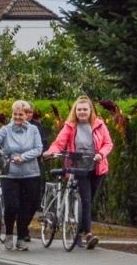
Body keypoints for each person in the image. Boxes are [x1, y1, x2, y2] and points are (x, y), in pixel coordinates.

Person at [0, 100, 44, 251]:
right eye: (15, 114)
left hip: (30, 174)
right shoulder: (6, 130)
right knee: (12, 206)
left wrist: (23, 157)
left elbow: (38, 149)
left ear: (26, 115)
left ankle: (21, 237)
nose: (18, 117)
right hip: (10, 174)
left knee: (27, 207)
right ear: (12, 114)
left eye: (21, 114)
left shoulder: (33, 130)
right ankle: (10, 234)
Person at [44, 95, 113, 249]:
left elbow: (108, 143)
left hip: (96, 167)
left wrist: (100, 154)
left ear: (90, 111)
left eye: (85, 109)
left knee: (89, 201)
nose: (82, 112)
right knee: (85, 201)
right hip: (78, 168)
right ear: (75, 111)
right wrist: (51, 152)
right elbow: (59, 143)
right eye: (79, 109)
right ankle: (87, 234)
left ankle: (78, 232)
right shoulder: (70, 126)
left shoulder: (99, 125)